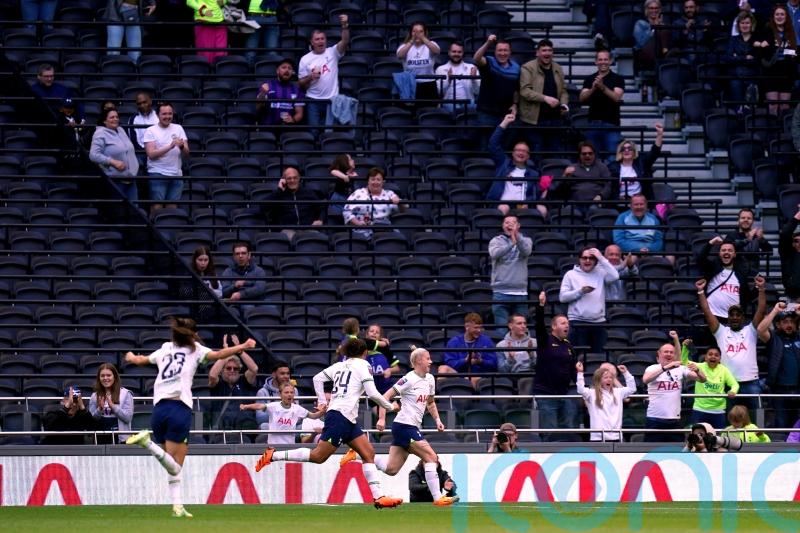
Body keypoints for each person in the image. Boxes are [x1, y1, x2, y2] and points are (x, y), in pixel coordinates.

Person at [124, 319, 256, 518]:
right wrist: (244, 346)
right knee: (176, 465)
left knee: (171, 463)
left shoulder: (164, 349)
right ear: (192, 334)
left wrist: (132, 357)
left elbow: (141, 360)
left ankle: (177, 506)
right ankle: (147, 443)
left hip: (159, 409)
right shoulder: (195, 350)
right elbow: (219, 354)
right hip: (179, 407)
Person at [252, 338, 404, 510]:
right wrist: (391, 406)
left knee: (368, 453)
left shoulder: (339, 365)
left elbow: (317, 378)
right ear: (365, 353)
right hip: (340, 416)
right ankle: (273, 455)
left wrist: (322, 400)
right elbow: (373, 394)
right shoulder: (363, 366)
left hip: (346, 417)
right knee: (318, 456)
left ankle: (379, 497)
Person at [342, 347, 457, 507]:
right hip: (404, 426)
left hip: (411, 427)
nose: (431, 361)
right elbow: (385, 396)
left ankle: (357, 454)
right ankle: (438, 498)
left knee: (391, 469)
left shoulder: (430, 379)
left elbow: (430, 402)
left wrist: (437, 419)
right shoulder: (408, 379)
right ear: (418, 361)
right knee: (431, 457)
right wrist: (382, 418)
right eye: (428, 358)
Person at [696, 276, 766, 411]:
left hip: (751, 382)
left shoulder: (750, 330)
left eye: (738, 315)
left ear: (743, 317)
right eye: (732, 315)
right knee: (729, 421)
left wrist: (762, 289)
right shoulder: (721, 331)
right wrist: (700, 292)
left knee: (756, 421)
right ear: (728, 318)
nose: (735, 317)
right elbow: (707, 311)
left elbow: (761, 311)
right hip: (728, 383)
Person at [533, 291, 579, 441]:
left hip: (563, 393)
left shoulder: (568, 345)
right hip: (546, 394)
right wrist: (541, 306)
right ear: (553, 326)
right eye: (563, 323)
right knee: (549, 432)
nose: (567, 325)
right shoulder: (545, 340)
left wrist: (583, 388)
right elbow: (539, 324)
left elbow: (573, 370)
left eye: (568, 323)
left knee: (569, 430)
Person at [642, 340, 706, 442]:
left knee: (677, 452)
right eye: (666, 351)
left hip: (674, 420)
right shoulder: (652, 368)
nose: (669, 354)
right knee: (651, 451)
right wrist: (666, 368)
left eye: (671, 352)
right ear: (659, 354)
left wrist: (697, 370)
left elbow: (702, 379)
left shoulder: (680, 369)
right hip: (654, 419)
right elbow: (645, 380)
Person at [559, 246, 619, 354]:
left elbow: (615, 276)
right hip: (577, 323)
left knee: (598, 359)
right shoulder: (570, 274)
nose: (587, 261)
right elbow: (562, 297)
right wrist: (580, 291)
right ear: (579, 259)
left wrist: (601, 258)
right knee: (578, 359)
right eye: (584, 258)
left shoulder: (601, 272)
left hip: (598, 323)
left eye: (591, 258)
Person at [486, 113, 547, 218]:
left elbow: (535, 194)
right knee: (504, 208)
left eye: (524, 151)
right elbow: (493, 144)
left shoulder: (533, 173)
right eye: (518, 150)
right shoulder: (504, 163)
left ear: (528, 156)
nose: (521, 153)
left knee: (542, 209)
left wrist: (528, 203)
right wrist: (504, 123)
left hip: (523, 206)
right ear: (513, 153)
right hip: (503, 204)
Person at [519, 39, 569, 161]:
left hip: (555, 119)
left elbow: (563, 90)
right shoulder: (528, 68)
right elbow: (524, 91)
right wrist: (545, 98)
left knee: (555, 155)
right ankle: (537, 180)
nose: (547, 53)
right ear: (537, 53)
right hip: (534, 120)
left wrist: (563, 104)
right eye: (544, 50)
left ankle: (553, 180)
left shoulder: (558, 68)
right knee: (537, 155)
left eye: (550, 50)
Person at [298, 15, 350, 129]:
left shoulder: (332, 52)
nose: (320, 41)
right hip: (313, 100)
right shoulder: (305, 59)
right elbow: (300, 83)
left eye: (322, 38)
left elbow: (345, 41)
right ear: (312, 42)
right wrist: (310, 77)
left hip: (331, 100)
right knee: (314, 131)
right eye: (317, 39)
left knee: (329, 132)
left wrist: (345, 26)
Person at [758, 301, 800, 432]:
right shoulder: (774, 339)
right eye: (785, 322)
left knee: (798, 426)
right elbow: (760, 329)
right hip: (779, 390)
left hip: (798, 389)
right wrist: (776, 309)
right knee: (782, 425)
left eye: (792, 322)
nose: (789, 325)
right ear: (778, 324)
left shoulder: (798, 338)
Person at [472, 34, 520, 149]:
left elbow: (517, 89)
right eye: (499, 50)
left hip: (505, 114)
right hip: (486, 113)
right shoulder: (489, 62)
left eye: (505, 50)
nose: (502, 53)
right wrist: (488, 43)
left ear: (510, 52)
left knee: (503, 148)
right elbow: (476, 58)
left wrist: (515, 104)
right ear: (495, 52)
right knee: (484, 146)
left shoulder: (516, 68)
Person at [696, 236, 760, 320]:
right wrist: (711, 242)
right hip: (712, 316)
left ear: (734, 254)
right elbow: (700, 259)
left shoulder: (741, 274)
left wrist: (758, 287)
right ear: (719, 254)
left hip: (733, 320)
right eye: (723, 250)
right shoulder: (712, 268)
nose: (726, 252)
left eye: (730, 250)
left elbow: (747, 297)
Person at [207, 334, 260, 435]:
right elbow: (212, 375)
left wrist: (240, 350)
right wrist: (225, 353)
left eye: (236, 369)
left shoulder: (244, 380)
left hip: (244, 428)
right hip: (221, 428)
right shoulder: (218, 383)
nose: (232, 370)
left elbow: (254, 369)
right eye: (228, 368)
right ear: (222, 370)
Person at [241, 382, 326, 444]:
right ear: (280, 394)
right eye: (286, 392)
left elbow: (313, 416)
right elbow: (259, 406)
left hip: (289, 447)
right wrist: (246, 406)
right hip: (273, 446)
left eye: (291, 392)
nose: (289, 395)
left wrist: (322, 412)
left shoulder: (297, 409)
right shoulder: (274, 406)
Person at [143, 102, 189, 215]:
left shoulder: (179, 128)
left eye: (170, 114)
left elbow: (187, 153)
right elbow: (151, 154)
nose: (167, 117)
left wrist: (182, 146)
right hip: (158, 173)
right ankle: (154, 231)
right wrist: (170, 146)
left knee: (172, 209)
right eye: (164, 114)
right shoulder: (151, 130)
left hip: (176, 174)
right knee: (157, 207)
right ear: (158, 115)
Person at [489, 214, 533, 331]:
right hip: (500, 293)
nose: (509, 224)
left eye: (512, 222)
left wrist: (516, 238)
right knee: (501, 330)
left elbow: (526, 251)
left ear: (518, 225)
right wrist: (511, 245)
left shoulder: (526, 240)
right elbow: (494, 254)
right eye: (506, 222)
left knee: (521, 331)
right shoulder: (496, 241)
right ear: (503, 226)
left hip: (520, 294)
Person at [579, 50, 625, 160]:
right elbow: (582, 98)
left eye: (605, 59)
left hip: (611, 124)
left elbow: (616, 97)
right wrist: (594, 88)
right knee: (593, 158)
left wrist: (602, 87)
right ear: (596, 62)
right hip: (593, 124)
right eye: (600, 59)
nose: (603, 62)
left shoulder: (618, 79)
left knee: (612, 158)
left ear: (610, 61)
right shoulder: (590, 79)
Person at [576, 360, 636, 441]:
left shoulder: (618, 392)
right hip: (598, 438)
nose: (609, 380)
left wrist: (626, 373)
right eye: (606, 378)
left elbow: (632, 389)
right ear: (599, 380)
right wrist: (580, 373)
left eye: (611, 378)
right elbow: (580, 390)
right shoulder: (592, 393)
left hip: (616, 436)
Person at [89, 107, 140, 203]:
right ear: (104, 120)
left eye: (117, 117)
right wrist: (112, 162)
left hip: (131, 179)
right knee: (119, 212)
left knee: (134, 212)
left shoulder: (121, 130)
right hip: (116, 181)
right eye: (111, 117)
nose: (115, 119)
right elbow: (93, 155)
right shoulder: (100, 133)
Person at [685, 345, 739, 429]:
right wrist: (685, 348)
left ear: (720, 359)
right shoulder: (699, 366)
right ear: (705, 357)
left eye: (716, 355)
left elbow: (735, 384)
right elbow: (684, 361)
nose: (713, 356)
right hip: (700, 409)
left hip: (718, 411)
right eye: (710, 354)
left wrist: (733, 391)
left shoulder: (724, 370)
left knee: (719, 439)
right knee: (698, 436)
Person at [262, 166, 323, 239]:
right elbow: (263, 207)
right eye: (289, 178)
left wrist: (320, 219)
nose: (292, 180)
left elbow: (322, 208)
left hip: (308, 228)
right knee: (290, 238)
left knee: (317, 238)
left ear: (299, 178)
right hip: (288, 230)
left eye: (295, 178)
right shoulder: (278, 194)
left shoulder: (308, 193)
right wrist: (279, 191)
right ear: (284, 180)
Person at [439, 312, 498, 388]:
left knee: (472, 379)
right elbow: (449, 362)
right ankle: (436, 397)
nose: (479, 330)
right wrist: (465, 360)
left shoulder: (486, 341)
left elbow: (494, 364)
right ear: (467, 327)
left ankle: (469, 397)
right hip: (458, 375)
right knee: (443, 368)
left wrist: (481, 361)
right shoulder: (454, 342)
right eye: (476, 328)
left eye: (480, 327)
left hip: (479, 377)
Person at [343, 167, 405, 238]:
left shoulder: (389, 194)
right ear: (368, 181)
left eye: (378, 180)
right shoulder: (358, 193)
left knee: (398, 238)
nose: (375, 182)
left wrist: (399, 202)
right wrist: (358, 223)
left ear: (383, 182)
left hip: (384, 229)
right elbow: (346, 211)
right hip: (362, 230)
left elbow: (402, 210)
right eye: (372, 179)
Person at [607, 124, 663, 200]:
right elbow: (610, 188)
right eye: (623, 149)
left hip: (639, 202)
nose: (626, 150)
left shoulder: (641, 163)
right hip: (620, 203)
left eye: (629, 148)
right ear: (620, 152)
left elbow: (654, 152)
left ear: (634, 152)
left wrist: (659, 135)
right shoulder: (613, 167)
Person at [760, 5, 797, 116]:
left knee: (784, 106)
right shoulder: (767, 30)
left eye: (782, 14)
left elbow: (795, 51)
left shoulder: (790, 32)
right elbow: (763, 51)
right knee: (773, 106)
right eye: (777, 14)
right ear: (773, 16)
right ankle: (772, 132)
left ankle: (784, 132)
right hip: (771, 71)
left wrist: (785, 51)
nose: (779, 17)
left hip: (786, 71)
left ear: (786, 17)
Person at [396, 21, 441, 109]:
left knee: (429, 111)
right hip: (410, 84)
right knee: (411, 111)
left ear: (425, 33)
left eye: (420, 31)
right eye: (414, 31)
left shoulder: (431, 44)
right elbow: (400, 55)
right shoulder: (405, 46)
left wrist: (423, 39)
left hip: (428, 84)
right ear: (410, 33)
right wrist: (411, 40)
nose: (417, 34)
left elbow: (437, 51)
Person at [559, 140, 614, 208]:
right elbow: (562, 190)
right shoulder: (572, 168)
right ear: (579, 155)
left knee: (594, 210)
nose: (587, 156)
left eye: (590, 153)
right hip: (575, 204)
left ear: (594, 154)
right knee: (567, 211)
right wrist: (565, 176)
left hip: (595, 203)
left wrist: (601, 196)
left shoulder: (602, 167)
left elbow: (608, 185)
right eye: (584, 154)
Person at [88, 363, 134, 444]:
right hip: (100, 437)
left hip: (120, 439)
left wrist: (113, 406)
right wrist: (100, 409)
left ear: (114, 377)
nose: (105, 378)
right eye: (102, 376)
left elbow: (128, 418)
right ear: (99, 378)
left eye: (108, 375)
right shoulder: (94, 396)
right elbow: (92, 420)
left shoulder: (126, 394)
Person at [725, 12, 762, 111]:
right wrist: (745, 58)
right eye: (742, 23)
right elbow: (728, 58)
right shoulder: (733, 40)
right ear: (738, 25)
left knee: (751, 109)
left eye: (747, 23)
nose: (745, 25)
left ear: (752, 24)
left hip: (752, 76)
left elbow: (757, 59)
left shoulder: (757, 40)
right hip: (736, 76)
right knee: (737, 108)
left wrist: (737, 57)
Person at [256, 58, 305, 128]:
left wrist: (293, 119)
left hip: (287, 129)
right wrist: (263, 93)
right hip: (267, 128)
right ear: (277, 71)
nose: (287, 70)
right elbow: (258, 107)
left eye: (289, 68)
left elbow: (299, 113)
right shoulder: (267, 85)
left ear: (292, 72)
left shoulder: (296, 89)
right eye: (283, 67)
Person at [436, 41, 480, 113]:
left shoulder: (471, 68)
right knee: (452, 109)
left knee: (474, 106)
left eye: (459, 52)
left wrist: (473, 79)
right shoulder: (440, 69)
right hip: (449, 102)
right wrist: (448, 81)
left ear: (463, 53)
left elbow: (478, 92)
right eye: (454, 51)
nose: (456, 54)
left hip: (467, 102)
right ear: (449, 52)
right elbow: (438, 92)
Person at [724, 208, 773, 273]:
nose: (746, 220)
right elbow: (729, 249)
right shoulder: (731, 235)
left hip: (753, 274)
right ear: (738, 220)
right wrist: (748, 239)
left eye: (749, 218)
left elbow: (769, 251)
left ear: (753, 221)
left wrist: (762, 239)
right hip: (735, 274)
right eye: (743, 218)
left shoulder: (756, 236)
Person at [220, 241, 267, 306]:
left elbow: (260, 289)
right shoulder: (228, 272)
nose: (240, 256)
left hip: (257, 302)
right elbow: (224, 292)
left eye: (243, 253)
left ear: (249, 255)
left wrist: (241, 294)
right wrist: (235, 286)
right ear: (233, 256)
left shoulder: (259, 271)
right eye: (237, 254)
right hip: (235, 304)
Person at [633, 0, 671, 73]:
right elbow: (641, 42)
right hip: (644, 53)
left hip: (659, 53)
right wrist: (654, 28)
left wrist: (659, 26)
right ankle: (666, 55)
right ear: (646, 10)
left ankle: (665, 55)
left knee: (664, 29)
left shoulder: (663, 25)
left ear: (660, 10)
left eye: (656, 8)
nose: (654, 10)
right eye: (651, 8)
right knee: (660, 30)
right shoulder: (640, 24)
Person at [244, 0, 279, 64]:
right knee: (250, 51)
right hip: (253, 17)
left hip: (271, 17)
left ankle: (270, 72)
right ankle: (249, 72)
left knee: (272, 52)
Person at [778, 205, 800, 300]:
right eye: (796, 240)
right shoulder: (787, 254)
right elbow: (785, 234)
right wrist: (797, 217)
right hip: (792, 297)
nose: (799, 243)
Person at [129, 91, 158, 159]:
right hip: (141, 153)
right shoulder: (133, 119)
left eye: (144, 102)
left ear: (150, 101)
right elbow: (133, 141)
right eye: (139, 104)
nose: (142, 105)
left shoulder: (158, 116)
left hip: (159, 151)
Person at [328, 153, 358, 218]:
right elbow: (333, 171)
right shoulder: (339, 173)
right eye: (350, 160)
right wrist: (344, 176)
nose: (353, 161)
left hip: (350, 200)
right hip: (339, 200)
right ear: (344, 162)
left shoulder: (354, 174)